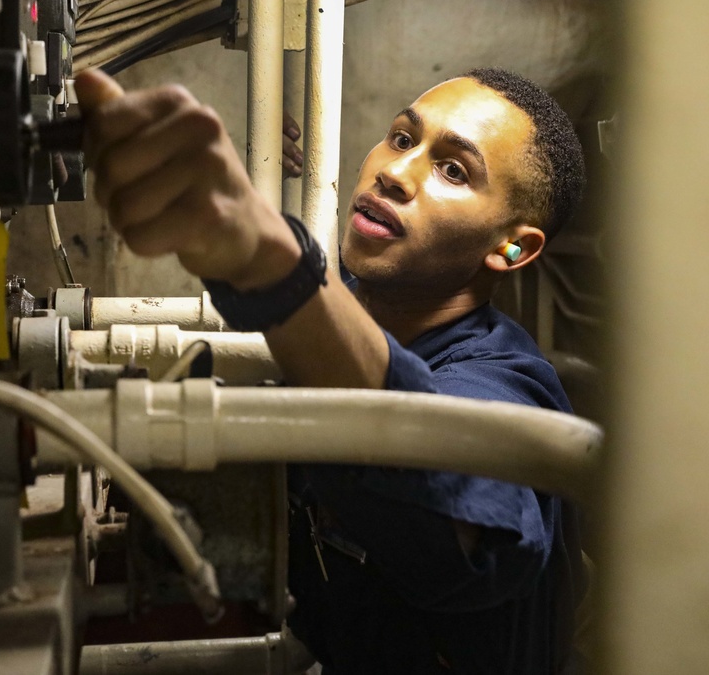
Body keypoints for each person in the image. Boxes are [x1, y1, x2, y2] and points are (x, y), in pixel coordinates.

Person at [75, 66, 587, 674]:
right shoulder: (347, 312)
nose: (396, 173)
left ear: (511, 248)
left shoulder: (506, 383)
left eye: (454, 170)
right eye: (402, 138)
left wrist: (269, 257)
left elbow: (470, 520)